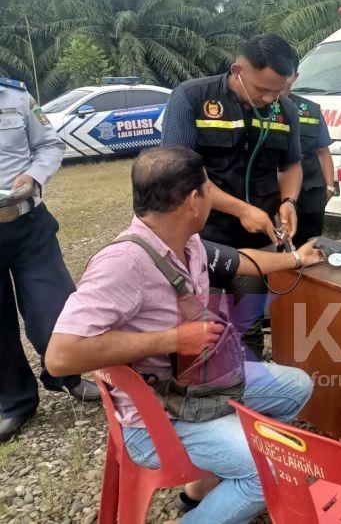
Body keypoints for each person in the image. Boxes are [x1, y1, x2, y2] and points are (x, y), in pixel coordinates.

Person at [45, 147, 323, 522]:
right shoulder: (124, 263)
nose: (212, 197)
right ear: (194, 200)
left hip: (199, 386)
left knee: (296, 386)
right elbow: (60, 356)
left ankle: (204, 486)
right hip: (158, 418)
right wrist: (173, 340)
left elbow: (240, 260)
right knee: (270, 469)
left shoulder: (184, 240)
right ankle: (242, 478)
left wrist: (296, 259)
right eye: (208, 188)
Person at [162, 34, 304, 360]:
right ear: (237, 70)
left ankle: (246, 378)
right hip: (202, 234)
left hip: (255, 238)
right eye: (263, 89)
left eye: (280, 90)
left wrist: (288, 201)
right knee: (205, 316)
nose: (271, 98)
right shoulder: (192, 98)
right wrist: (240, 209)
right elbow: (181, 171)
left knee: (248, 317)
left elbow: (292, 165)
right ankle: (203, 383)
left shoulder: (287, 112)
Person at [0, 77, 99, 443]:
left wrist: (33, 175)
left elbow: (50, 145)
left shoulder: (15, 95)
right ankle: (15, 402)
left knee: (55, 309)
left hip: (28, 224)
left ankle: (67, 376)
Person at [291, 95, 334, 247]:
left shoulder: (310, 109)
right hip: (273, 193)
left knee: (312, 246)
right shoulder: (259, 105)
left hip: (311, 192)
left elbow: (323, 151)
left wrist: (329, 187)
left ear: (294, 77)